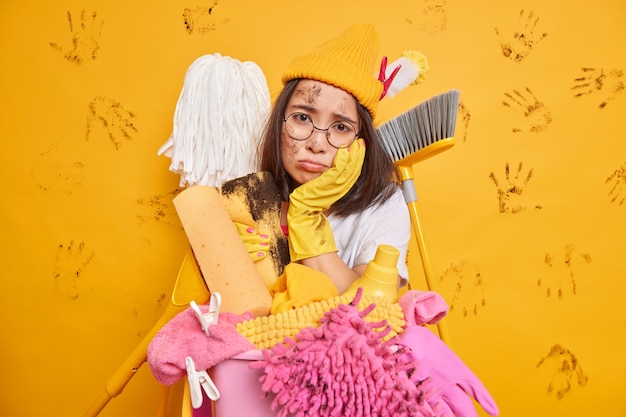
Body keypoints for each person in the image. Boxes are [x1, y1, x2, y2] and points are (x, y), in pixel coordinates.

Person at [256, 23, 412, 295]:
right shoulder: (247, 192)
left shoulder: (385, 203)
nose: (317, 144)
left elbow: (367, 308)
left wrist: (305, 215)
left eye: (341, 127)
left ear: (362, 142)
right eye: (302, 118)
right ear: (278, 122)